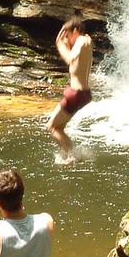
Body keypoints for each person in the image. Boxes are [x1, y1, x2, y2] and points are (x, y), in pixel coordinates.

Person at [47, 16, 93, 165]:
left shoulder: (81, 40)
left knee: (52, 127)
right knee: (59, 127)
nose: (67, 39)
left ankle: (72, 156)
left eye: (68, 36)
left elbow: (70, 59)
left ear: (75, 31)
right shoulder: (86, 41)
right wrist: (66, 44)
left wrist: (59, 44)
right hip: (84, 94)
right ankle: (74, 154)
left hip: (76, 94)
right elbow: (75, 59)